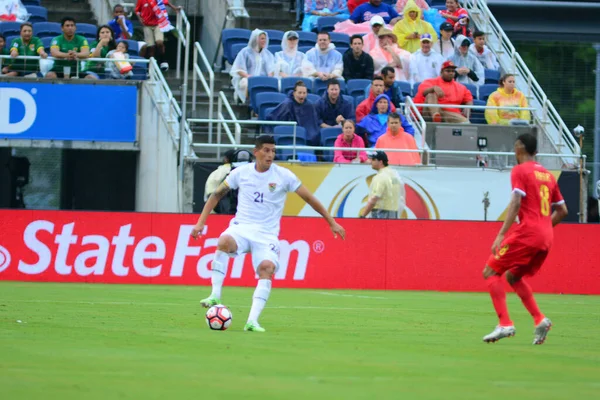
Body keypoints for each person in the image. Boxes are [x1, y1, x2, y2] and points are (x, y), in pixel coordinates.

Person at [191, 135, 346, 332]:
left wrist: (331, 222)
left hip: (267, 235)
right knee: (223, 241)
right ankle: (215, 294)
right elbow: (216, 194)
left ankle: (252, 321)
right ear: (256, 152)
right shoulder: (241, 173)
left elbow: (309, 198)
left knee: (266, 268)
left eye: (273, 151)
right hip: (242, 227)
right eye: (266, 150)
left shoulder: (284, 176)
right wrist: (200, 223)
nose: (270, 154)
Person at [481, 133, 568, 345]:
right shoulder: (547, 175)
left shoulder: (520, 170)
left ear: (519, 148)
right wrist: (544, 226)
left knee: (490, 271)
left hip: (528, 232)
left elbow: (516, 202)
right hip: (546, 237)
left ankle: (505, 323)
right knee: (513, 277)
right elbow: (563, 210)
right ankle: (539, 319)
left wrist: (501, 234)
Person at [267, 81, 321, 146]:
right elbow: (272, 118)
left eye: (304, 93)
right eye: (300, 93)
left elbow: (314, 125)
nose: (302, 95)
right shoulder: (287, 104)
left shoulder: (310, 105)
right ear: (294, 93)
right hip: (290, 136)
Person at [230, 29, 275, 103]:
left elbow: (271, 70)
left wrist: (269, 78)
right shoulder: (245, 52)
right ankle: (248, 102)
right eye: (262, 38)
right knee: (246, 83)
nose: (264, 40)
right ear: (256, 39)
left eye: (265, 38)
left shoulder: (268, 54)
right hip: (247, 78)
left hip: (263, 79)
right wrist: (249, 76)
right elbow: (238, 69)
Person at [135, 0, 181, 71]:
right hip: (147, 25)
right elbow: (137, 11)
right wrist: (140, 19)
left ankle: (163, 60)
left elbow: (166, 2)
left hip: (158, 24)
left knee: (159, 42)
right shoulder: (141, 0)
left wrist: (175, 8)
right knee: (151, 47)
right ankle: (151, 67)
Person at [359, 150, 405, 219]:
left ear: (381, 162)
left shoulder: (380, 177)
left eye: (374, 159)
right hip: (394, 212)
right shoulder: (394, 174)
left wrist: (363, 215)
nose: (371, 161)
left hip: (380, 213)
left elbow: (374, 198)